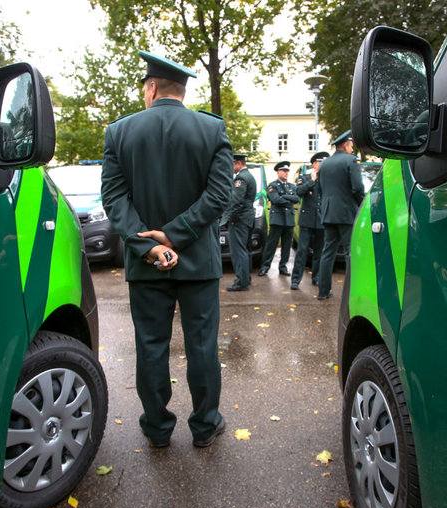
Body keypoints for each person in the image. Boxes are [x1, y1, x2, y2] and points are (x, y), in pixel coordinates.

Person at [101, 51, 232, 448]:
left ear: (152, 87)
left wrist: (148, 244)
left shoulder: (119, 132)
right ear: (182, 90)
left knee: (151, 347)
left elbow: (113, 198)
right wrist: (176, 234)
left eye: (145, 89)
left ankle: (157, 429)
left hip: (146, 265)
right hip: (199, 263)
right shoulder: (212, 129)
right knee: (202, 347)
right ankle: (205, 426)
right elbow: (220, 194)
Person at [316, 131, 365, 300]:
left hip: (329, 213)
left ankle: (323, 291)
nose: (352, 149)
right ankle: (351, 293)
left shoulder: (324, 164)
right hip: (346, 213)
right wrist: (362, 204)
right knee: (349, 252)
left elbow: (320, 190)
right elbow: (358, 188)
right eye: (351, 145)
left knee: (327, 252)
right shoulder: (351, 161)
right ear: (345, 145)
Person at [290, 151, 329, 290]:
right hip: (307, 220)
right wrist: (312, 181)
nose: (323, 164)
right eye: (320, 162)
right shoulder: (305, 178)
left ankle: (316, 277)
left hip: (321, 220)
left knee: (319, 251)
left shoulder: (328, 179)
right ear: (314, 164)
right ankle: (295, 279)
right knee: (302, 250)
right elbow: (298, 192)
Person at [222, 153, 257, 291]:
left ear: (237, 163)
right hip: (247, 218)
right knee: (245, 250)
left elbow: (236, 202)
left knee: (238, 251)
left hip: (239, 220)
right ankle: (245, 279)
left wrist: (229, 219)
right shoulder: (249, 176)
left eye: (232, 164)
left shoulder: (241, 178)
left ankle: (241, 282)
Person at [258, 161, 299, 276]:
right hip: (277, 219)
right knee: (271, 245)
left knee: (286, 246)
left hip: (289, 220)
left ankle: (283, 267)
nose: (286, 173)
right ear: (278, 172)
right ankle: (265, 266)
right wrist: (289, 200)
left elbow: (297, 199)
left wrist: (284, 197)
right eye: (284, 171)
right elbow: (276, 200)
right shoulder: (272, 186)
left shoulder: (292, 186)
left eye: (287, 171)